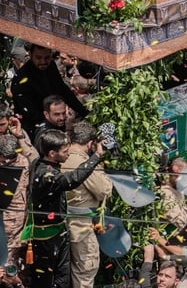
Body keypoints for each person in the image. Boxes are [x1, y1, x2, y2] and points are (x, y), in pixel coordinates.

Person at [25, 129, 106, 288]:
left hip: (60, 231)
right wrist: (96, 156)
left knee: (63, 277)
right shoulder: (46, 174)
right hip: (46, 237)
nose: (69, 154)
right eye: (65, 151)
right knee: (47, 279)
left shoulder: (42, 162)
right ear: (52, 153)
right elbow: (72, 180)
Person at [63, 121, 113, 288]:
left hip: (63, 223)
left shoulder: (62, 155)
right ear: (91, 143)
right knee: (85, 271)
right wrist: (99, 165)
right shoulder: (83, 162)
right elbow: (104, 190)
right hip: (81, 225)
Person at [11, 44, 88, 138]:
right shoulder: (21, 78)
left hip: (54, 118)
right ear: (30, 55)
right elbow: (29, 111)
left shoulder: (51, 65)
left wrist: (84, 112)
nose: (43, 61)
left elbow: (64, 91)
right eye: (38, 58)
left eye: (47, 57)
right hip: (34, 127)